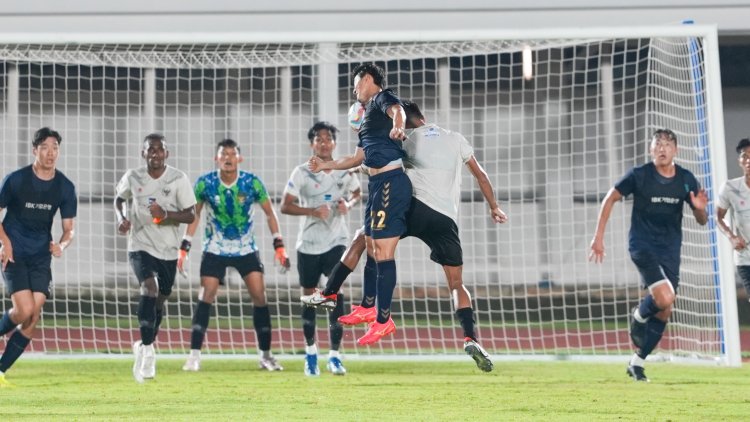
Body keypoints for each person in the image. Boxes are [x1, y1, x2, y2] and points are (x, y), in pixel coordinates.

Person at [303, 101, 507, 371]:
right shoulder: (455, 139)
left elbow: (371, 163)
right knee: (457, 284)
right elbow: (481, 175)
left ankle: (336, 293)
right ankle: (470, 336)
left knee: (365, 236)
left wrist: (347, 162)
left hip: (414, 209)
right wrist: (494, 207)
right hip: (446, 220)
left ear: (404, 123)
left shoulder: (405, 141)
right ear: (423, 116)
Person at [589, 129, 708, 382]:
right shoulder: (639, 175)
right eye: (658, 144)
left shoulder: (686, 179)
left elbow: (701, 219)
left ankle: (637, 363)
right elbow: (610, 198)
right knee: (666, 297)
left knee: (665, 308)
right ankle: (639, 315)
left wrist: (699, 210)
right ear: (650, 149)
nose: (662, 149)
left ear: (676, 150)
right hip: (642, 245)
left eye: (667, 144)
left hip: (670, 249)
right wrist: (598, 237)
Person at [308, 63, 410, 346]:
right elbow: (355, 160)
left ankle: (383, 319)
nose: (354, 89)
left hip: (391, 181)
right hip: (376, 185)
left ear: (367, 79)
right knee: (367, 241)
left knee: (382, 250)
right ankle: (367, 306)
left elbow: (398, 111)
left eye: (356, 83)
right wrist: (325, 165)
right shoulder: (367, 123)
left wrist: (399, 128)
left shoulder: (382, 98)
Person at [180, 139, 289, 372]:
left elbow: (270, 213)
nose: (228, 158)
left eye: (232, 154)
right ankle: (194, 356)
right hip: (215, 249)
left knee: (260, 297)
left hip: (246, 248)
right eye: (223, 154)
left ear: (240, 158)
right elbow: (194, 215)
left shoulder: (251, 182)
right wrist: (184, 247)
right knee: (205, 295)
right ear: (217, 159)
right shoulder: (205, 183)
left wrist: (279, 244)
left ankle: (266, 356)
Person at [114, 133, 197, 383]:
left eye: (160, 150)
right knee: (149, 288)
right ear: (144, 153)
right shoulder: (133, 176)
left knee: (159, 301)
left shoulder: (178, 179)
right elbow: (119, 199)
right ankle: (148, 353)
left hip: (168, 250)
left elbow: (191, 215)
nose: (155, 154)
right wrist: (121, 219)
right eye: (150, 150)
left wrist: (165, 214)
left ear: (167, 154)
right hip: (139, 245)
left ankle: (143, 343)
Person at [280, 122, 361, 376]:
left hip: (336, 241)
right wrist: (312, 211)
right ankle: (311, 353)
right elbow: (285, 205)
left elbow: (357, 192)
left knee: (335, 294)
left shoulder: (344, 169)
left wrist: (349, 203)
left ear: (334, 143)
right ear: (312, 144)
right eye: (319, 139)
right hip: (309, 245)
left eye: (328, 139)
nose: (324, 143)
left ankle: (335, 356)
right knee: (309, 300)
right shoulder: (302, 172)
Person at [0, 128, 77, 387]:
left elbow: (69, 229)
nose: (50, 152)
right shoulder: (16, 180)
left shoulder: (65, 187)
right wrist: (5, 242)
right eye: (44, 147)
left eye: (54, 147)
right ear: (34, 150)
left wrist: (62, 246)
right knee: (24, 310)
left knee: (34, 316)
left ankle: (0, 371)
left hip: (41, 257)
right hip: (14, 254)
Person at [717, 138, 750, 300]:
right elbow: (718, 217)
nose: (748, 160)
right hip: (746, 259)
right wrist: (732, 237)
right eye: (745, 156)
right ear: (740, 161)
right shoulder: (730, 187)